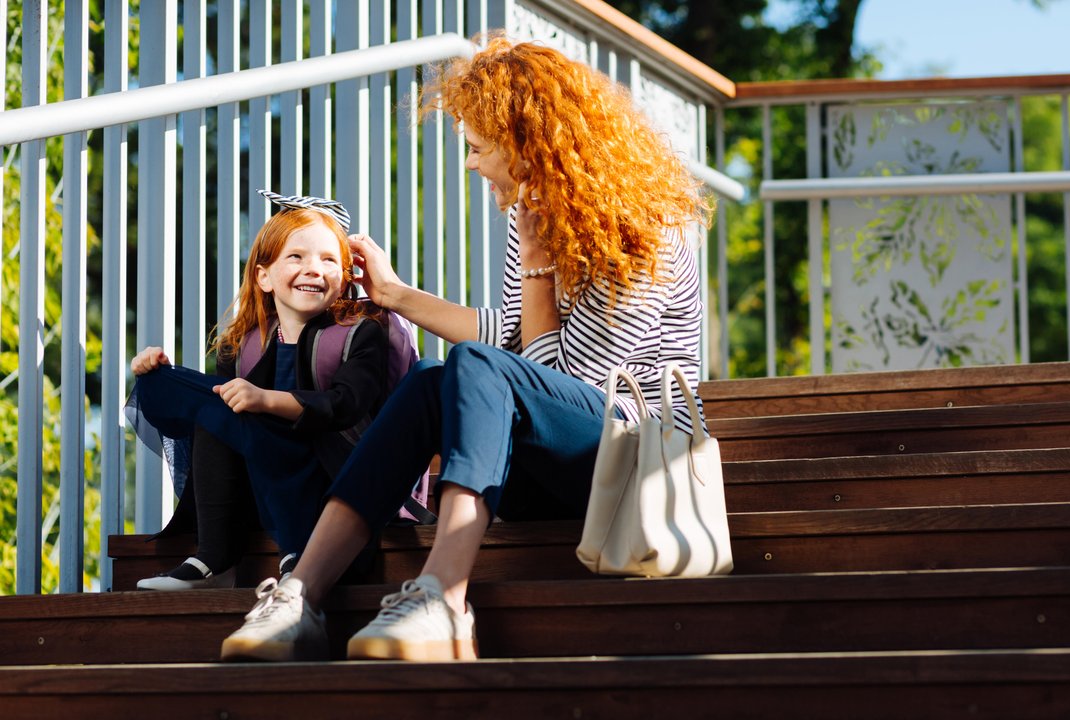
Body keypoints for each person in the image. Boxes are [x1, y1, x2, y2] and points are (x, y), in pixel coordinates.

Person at [219, 36, 712, 663]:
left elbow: (568, 381)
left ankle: (444, 598)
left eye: (479, 148)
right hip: (545, 466)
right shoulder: (531, 217)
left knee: (468, 369)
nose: (472, 165)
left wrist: (536, 269)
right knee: (429, 379)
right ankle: (299, 598)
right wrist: (395, 294)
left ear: (529, 145)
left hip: (630, 466)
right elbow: (505, 335)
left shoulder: (640, 238)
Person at [127, 191, 401, 590]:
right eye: (297, 257)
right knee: (196, 399)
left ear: (344, 279)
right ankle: (213, 557)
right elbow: (181, 419)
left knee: (226, 408)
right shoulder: (240, 346)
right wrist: (155, 370)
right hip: (255, 488)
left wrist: (264, 400)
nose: (314, 269)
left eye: (329, 260)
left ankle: (289, 553)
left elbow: (345, 406)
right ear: (264, 276)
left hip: (333, 481)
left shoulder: (360, 333)